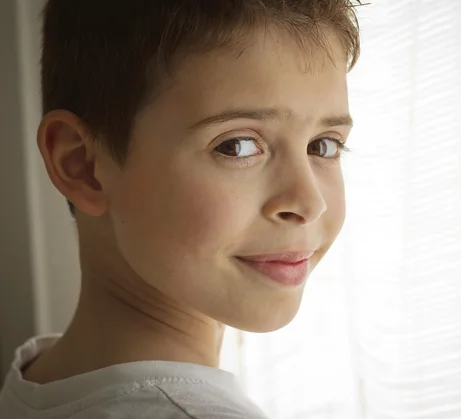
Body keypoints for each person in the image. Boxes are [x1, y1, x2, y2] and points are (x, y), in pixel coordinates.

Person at [0, 0, 361, 417]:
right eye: (237, 145)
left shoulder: (37, 385)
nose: (309, 202)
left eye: (324, 145)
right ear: (82, 166)